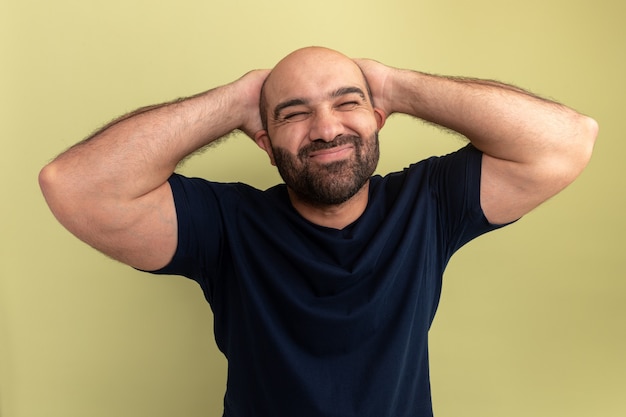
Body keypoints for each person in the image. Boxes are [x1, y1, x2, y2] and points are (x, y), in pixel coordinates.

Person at [39, 46, 598, 417]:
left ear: (378, 116)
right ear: (263, 139)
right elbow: (73, 185)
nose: (327, 128)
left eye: (348, 103)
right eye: (294, 113)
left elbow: (568, 139)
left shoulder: (428, 203)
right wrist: (238, 99)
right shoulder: (227, 226)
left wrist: (394, 84)